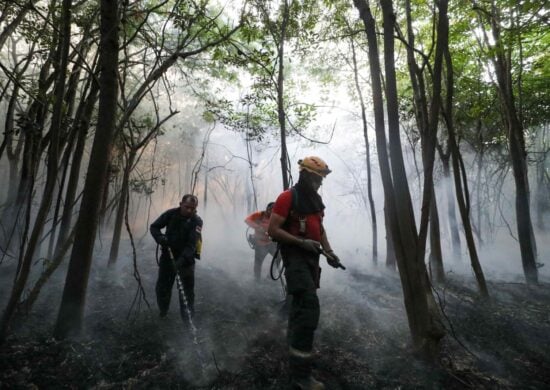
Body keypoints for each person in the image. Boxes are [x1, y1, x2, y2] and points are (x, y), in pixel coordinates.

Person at [268, 156, 342, 390]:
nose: (320, 183)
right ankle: (301, 376)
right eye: (318, 178)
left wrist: (329, 252)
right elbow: (273, 230)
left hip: (311, 259)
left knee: (299, 307)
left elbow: (319, 229)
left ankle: (295, 351)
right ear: (305, 175)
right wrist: (301, 243)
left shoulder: (316, 201)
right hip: (296, 258)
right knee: (309, 308)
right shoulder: (288, 197)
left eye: (322, 179)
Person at [150, 194, 203, 319]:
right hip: (168, 256)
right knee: (163, 287)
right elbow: (154, 227)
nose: (189, 210)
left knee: (187, 292)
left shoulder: (197, 221)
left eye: (192, 208)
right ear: (181, 204)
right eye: (187, 207)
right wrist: (160, 238)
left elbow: (192, 245)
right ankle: (163, 312)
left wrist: (181, 261)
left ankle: (188, 319)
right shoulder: (171, 214)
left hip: (186, 261)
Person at [244, 202, 278, 281]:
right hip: (260, 243)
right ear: (267, 209)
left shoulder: (276, 217)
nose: (272, 212)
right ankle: (257, 280)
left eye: (274, 211)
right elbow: (247, 220)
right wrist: (258, 227)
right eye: (270, 210)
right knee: (258, 263)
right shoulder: (260, 215)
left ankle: (270, 275)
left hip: (271, 243)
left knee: (278, 257)